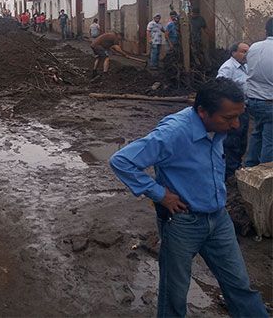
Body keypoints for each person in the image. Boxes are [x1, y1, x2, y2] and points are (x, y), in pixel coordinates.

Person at [110, 78, 268, 318]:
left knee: (239, 286)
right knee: (174, 295)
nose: (236, 125)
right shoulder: (174, 133)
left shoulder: (216, 127)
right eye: (228, 118)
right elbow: (122, 161)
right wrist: (160, 194)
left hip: (219, 218)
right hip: (183, 222)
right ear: (202, 112)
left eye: (238, 116)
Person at [217, 42, 250, 178]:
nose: (246, 55)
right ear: (233, 53)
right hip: (233, 112)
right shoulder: (227, 68)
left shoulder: (246, 67)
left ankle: (236, 167)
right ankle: (229, 172)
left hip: (245, 108)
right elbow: (220, 88)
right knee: (232, 141)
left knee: (242, 141)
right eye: (243, 51)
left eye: (248, 52)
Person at [245, 18, 273, 167]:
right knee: (270, 142)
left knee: (257, 134)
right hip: (270, 102)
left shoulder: (254, 47)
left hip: (253, 101)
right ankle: (265, 177)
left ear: (266, 31)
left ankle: (249, 167)